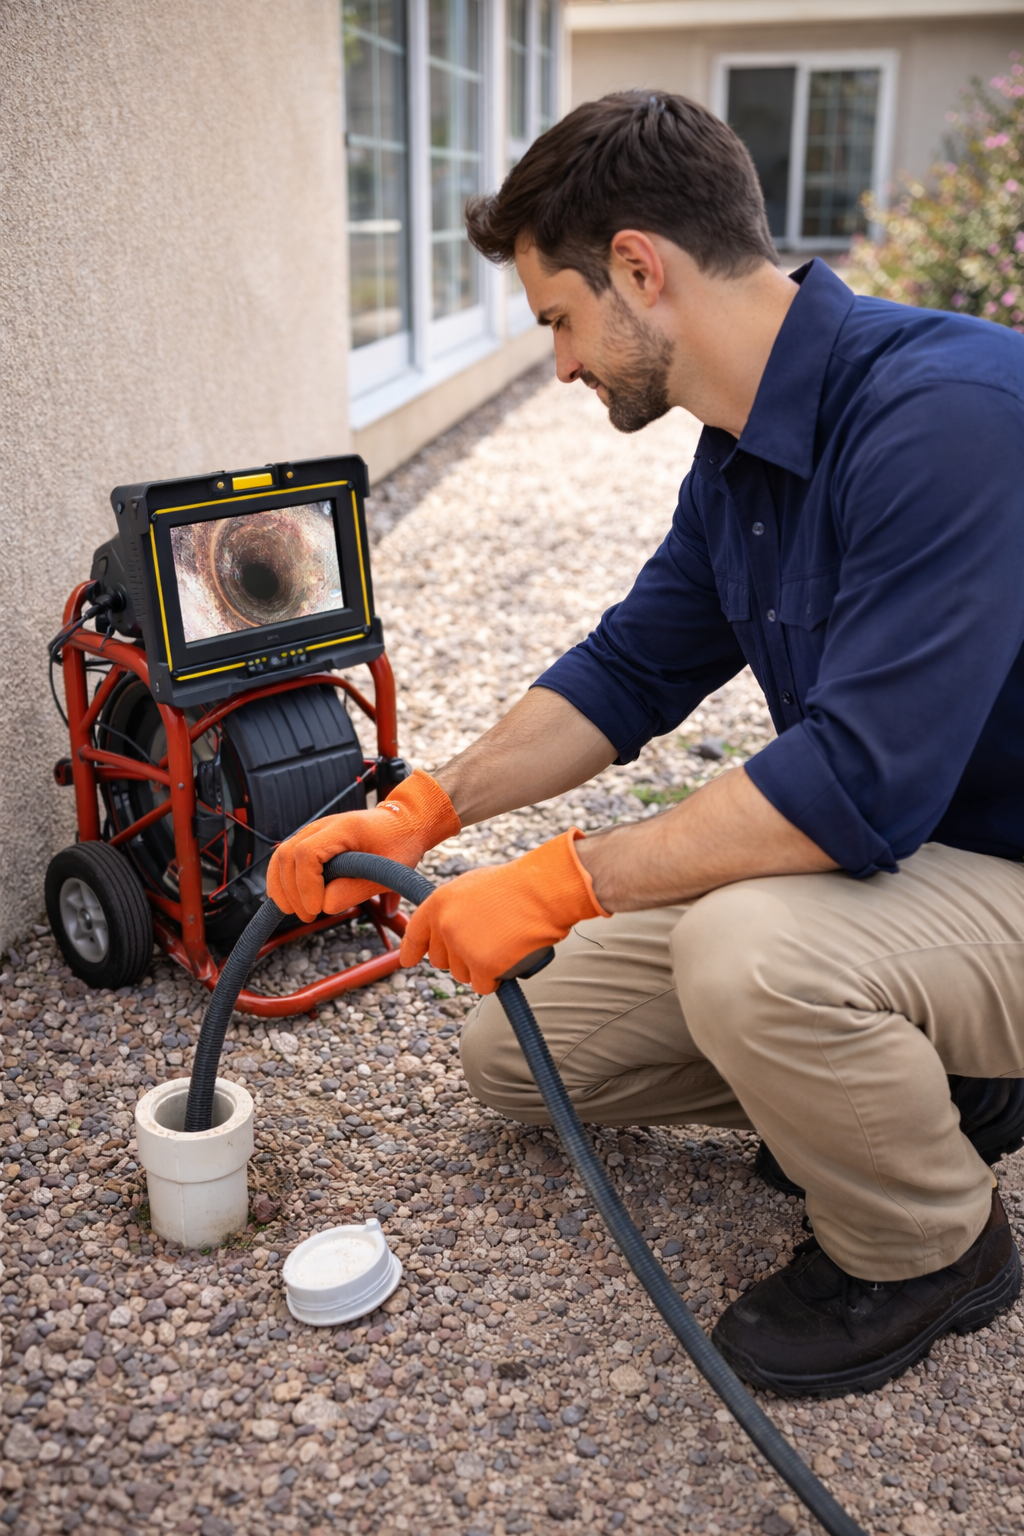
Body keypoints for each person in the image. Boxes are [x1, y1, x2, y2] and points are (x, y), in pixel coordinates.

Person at [267, 91, 1024, 1398]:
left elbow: (851, 783)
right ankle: (927, 1080)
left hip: (992, 866)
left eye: (557, 319)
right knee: (515, 1054)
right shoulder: (739, 451)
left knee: (751, 957)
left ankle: (929, 1246)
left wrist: (563, 880)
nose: (559, 364)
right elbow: (630, 672)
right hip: (914, 870)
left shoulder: (948, 417)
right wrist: (423, 809)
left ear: (638, 267)